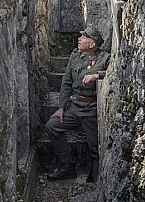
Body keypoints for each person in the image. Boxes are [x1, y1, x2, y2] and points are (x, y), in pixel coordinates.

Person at [46, 25, 110, 182]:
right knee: (52, 125)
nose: (79, 39)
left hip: (92, 109)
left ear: (92, 43)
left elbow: (113, 72)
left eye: (83, 37)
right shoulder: (75, 57)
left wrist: (97, 75)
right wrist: (61, 108)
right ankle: (67, 167)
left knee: (95, 148)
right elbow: (66, 83)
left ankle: (95, 177)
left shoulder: (105, 58)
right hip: (74, 107)